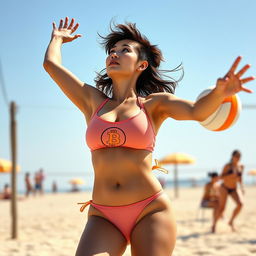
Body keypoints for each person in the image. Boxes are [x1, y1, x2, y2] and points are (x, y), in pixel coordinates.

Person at [43, 17, 254, 256]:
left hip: (150, 209)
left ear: (141, 65)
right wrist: (57, 39)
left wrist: (219, 93)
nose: (115, 54)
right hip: (103, 214)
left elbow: (197, 111)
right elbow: (51, 65)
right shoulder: (92, 102)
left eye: (125, 50)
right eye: (112, 51)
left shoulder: (154, 105)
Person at [212, 150, 245, 233]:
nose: (237, 158)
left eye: (239, 156)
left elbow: (240, 178)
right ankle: (214, 225)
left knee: (240, 204)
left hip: (234, 188)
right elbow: (221, 177)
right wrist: (231, 175)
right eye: (236, 156)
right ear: (232, 157)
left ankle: (231, 221)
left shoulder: (241, 166)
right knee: (222, 208)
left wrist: (242, 187)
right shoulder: (227, 166)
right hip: (225, 188)